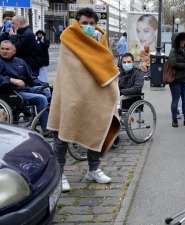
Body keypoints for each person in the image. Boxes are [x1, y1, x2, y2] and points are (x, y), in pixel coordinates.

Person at [47, 7, 121, 192]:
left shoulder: (100, 42)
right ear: (77, 24)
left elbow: (105, 67)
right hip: (71, 94)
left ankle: (93, 169)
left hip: (95, 95)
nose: (88, 27)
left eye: (92, 23)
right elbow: (70, 70)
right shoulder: (68, 39)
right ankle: (59, 173)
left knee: (98, 128)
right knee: (63, 133)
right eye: (84, 23)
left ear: (96, 25)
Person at [0, 40, 51, 134]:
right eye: (2, 49)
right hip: (11, 92)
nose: (4, 51)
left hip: (25, 88)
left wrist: (43, 85)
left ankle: (45, 117)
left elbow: (31, 77)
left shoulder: (20, 61)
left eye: (7, 49)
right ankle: (46, 129)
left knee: (48, 91)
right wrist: (11, 80)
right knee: (41, 99)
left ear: (14, 51)